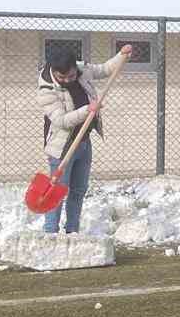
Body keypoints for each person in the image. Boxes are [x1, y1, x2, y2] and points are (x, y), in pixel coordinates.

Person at [36, 43, 132, 235]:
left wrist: (121, 56)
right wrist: (86, 110)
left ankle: (72, 231)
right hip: (62, 148)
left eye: (70, 76)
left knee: (78, 191)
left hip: (84, 143)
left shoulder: (82, 69)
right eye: (61, 77)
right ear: (53, 70)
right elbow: (62, 120)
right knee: (56, 193)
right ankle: (50, 234)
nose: (67, 80)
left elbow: (104, 69)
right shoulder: (46, 89)